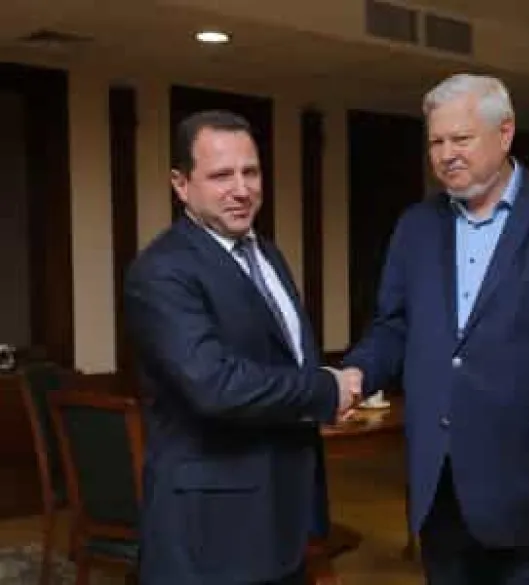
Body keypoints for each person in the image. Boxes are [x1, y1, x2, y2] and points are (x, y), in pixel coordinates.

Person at [343, 74, 529, 584]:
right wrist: (356, 374)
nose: (446, 155)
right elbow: (393, 326)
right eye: (436, 142)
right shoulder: (415, 226)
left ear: (505, 133)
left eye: (461, 139)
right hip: (442, 493)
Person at [124, 110, 361, 585]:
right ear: (181, 184)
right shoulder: (162, 271)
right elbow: (216, 386)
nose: (241, 189)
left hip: (284, 517)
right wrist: (325, 389)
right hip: (211, 533)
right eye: (221, 176)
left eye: (250, 172)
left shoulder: (267, 253)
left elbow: (288, 356)